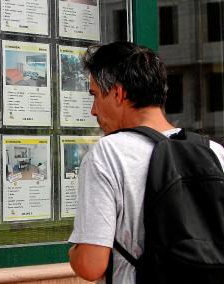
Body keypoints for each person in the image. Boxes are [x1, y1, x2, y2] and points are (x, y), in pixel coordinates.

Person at [68, 41, 224, 283]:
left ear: (118, 93)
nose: (93, 110)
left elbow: (91, 265)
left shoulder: (108, 154)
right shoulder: (214, 151)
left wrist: (75, 253)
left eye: (95, 95)